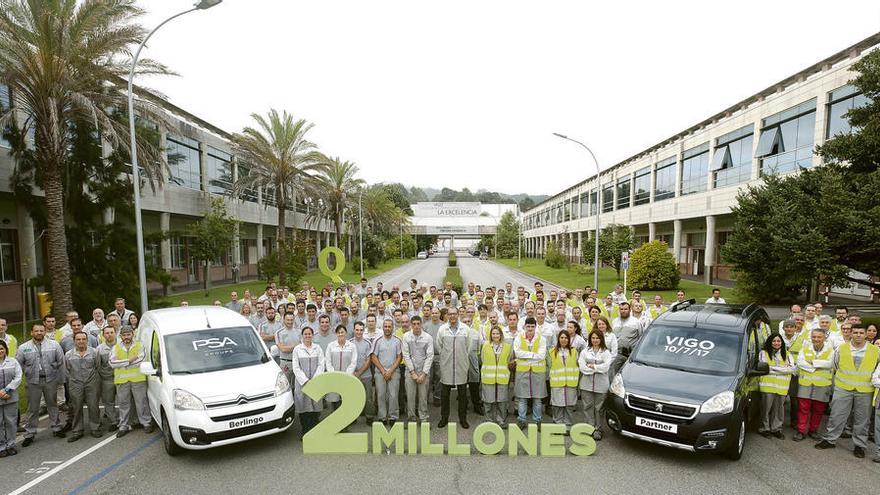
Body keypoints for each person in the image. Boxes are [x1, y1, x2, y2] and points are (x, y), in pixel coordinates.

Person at [816, 325, 879, 458]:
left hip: (865, 390)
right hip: (843, 388)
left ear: (866, 335)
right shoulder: (841, 348)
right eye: (855, 332)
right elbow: (835, 365)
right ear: (850, 334)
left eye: (861, 333)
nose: (858, 335)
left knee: (862, 419)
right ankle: (830, 439)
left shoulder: (875, 351)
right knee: (837, 415)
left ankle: (860, 445)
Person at [18, 323, 66, 446]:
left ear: (44, 332)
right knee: (32, 408)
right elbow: (19, 365)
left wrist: (61, 379)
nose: (39, 333)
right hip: (33, 382)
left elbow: (61, 362)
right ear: (31, 333)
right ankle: (30, 433)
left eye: (41, 331)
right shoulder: (24, 347)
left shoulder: (54, 345)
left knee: (52, 404)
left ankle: (56, 427)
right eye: (36, 331)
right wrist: (28, 372)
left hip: (50, 380)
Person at [109, 326, 152, 438]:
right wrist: (129, 360)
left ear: (132, 334)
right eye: (124, 335)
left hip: (138, 379)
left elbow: (141, 359)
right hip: (122, 380)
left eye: (128, 334)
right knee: (123, 404)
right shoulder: (116, 347)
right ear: (121, 336)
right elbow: (112, 363)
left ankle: (146, 422)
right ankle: (123, 426)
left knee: (141, 402)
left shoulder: (139, 345)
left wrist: (121, 362)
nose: (126, 337)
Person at [435, 306, 473, 429]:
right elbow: (439, 347)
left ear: (458, 315)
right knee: (445, 394)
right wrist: (447, 357)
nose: (452, 316)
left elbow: (469, 348)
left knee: (462, 395)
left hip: (461, 366)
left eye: (454, 314)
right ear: (447, 315)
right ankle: (444, 418)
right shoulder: (442, 329)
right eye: (450, 314)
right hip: (446, 366)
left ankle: (463, 419)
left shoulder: (465, 329)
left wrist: (461, 357)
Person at [795, 328, 833, 441]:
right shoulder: (805, 348)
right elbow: (800, 362)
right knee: (803, 408)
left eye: (819, 337)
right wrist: (816, 367)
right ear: (811, 337)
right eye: (814, 337)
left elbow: (831, 363)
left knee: (818, 409)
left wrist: (813, 362)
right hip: (805, 383)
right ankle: (800, 431)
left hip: (822, 384)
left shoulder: (831, 350)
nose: (816, 339)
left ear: (824, 338)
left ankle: (813, 430)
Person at [64, 331, 101, 442]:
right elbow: (67, 370)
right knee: (76, 407)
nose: (81, 341)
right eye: (78, 339)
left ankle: (95, 428)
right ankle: (77, 431)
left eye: (83, 339)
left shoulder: (94, 352)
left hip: (92, 382)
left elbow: (97, 366)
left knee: (93, 405)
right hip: (75, 383)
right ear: (74, 341)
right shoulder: (68, 355)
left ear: (87, 340)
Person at [758, 333, 796, 439]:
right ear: (770, 342)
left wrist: (774, 368)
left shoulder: (787, 354)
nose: (776, 343)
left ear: (781, 343)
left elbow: (792, 369)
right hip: (767, 386)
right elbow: (764, 368)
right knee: (765, 408)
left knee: (779, 410)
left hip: (782, 387)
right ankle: (764, 428)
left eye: (778, 341)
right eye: (774, 341)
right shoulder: (763, 353)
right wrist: (782, 369)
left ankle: (776, 429)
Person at [513, 317, 547, 429]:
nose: (530, 328)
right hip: (523, 371)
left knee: (537, 399)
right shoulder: (519, 338)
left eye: (532, 326)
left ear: (535, 327)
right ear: (524, 327)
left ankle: (538, 420)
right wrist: (533, 355)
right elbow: (517, 353)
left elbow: (542, 355)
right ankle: (521, 420)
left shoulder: (542, 339)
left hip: (538, 372)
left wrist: (526, 355)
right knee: (522, 398)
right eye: (528, 326)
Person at [291, 327, 325, 436]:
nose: (307, 336)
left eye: (309, 334)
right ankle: (305, 431)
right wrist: (305, 380)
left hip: (315, 382)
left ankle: (315, 431)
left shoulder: (318, 348)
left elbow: (321, 364)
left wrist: (314, 379)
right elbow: (296, 367)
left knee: (315, 407)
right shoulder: (297, 349)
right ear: (302, 336)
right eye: (305, 334)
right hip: (302, 384)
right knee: (304, 408)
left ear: (312, 335)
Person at [579, 329, 612, 440]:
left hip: (601, 385)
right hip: (586, 384)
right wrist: (597, 368)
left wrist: (593, 366)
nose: (595, 340)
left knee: (599, 408)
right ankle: (589, 428)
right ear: (590, 339)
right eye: (593, 338)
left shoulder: (606, 352)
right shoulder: (585, 351)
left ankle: (598, 429)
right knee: (587, 406)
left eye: (597, 338)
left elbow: (606, 367)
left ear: (601, 339)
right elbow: (582, 368)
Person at [401, 316, 434, 423]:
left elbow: (430, 356)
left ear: (421, 324)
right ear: (411, 324)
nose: (416, 326)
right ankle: (411, 418)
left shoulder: (428, 337)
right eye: (414, 324)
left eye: (418, 324)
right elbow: (406, 355)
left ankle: (423, 417)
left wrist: (424, 374)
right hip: (410, 371)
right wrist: (412, 372)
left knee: (423, 397)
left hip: (424, 371)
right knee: (410, 396)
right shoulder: (406, 336)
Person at [480, 326, 513, 426]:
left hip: (502, 377)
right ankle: (488, 419)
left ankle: (501, 419)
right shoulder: (485, 345)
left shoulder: (507, 347)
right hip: (488, 377)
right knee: (488, 400)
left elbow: (509, 360)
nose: (495, 336)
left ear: (501, 335)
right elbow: (482, 359)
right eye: (493, 334)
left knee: (502, 400)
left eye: (497, 333)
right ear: (490, 335)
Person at [371, 319, 402, 426]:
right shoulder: (377, 340)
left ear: (392, 327)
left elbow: (399, 357)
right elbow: (373, 356)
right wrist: (383, 370)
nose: (387, 328)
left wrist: (391, 371)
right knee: (381, 395)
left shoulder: (397, 340)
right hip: (380, 372)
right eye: (386, 326)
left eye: (389, 326)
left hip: (394, 371)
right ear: (383, 327)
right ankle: (382, 417)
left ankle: (393, 416)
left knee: (393, 395)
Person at [548, 329, 578, 431]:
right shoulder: (551, 352)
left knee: (569, 406)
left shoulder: (574, 351)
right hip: (557, 383)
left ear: (569, 339)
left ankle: (568, 425)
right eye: (562, 337)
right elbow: (548, 366)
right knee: (557, 405)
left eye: (566, 338)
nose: (564, 340)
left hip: (570, 383)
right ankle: (558, 424)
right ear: (558, 339)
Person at [324, 325, 357, 410]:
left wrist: (347, 375)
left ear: (346, 333)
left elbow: (353, 362)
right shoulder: (331, 346)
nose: (340, 334)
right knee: (334, 397)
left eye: (342, 332)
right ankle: (334, 418)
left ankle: (348, 418)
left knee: (347, 397)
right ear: (336, 334)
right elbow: (328, 361)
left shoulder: (352, 346)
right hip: (334, 377)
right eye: (338, 332)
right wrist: (333, 373)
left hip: (347, 377)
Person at [350, 321, 376, 424]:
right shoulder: (349, 343)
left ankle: (369, 416)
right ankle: (353, 417)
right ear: (354, 330)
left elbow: (369, 360)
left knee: (368, 397)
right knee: (353, 397)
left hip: (366, 375)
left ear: (363, 330)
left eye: (361, 330)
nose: (359, 332)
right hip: (352, 375)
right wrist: (354, 373)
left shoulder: (368, 343)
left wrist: (359, 372)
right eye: (357, 330)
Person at [0, 340, 22, 457]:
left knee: (11, 422)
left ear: (5, 350)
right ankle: (1, 447)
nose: (0, 351)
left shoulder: (13, 361)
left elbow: (18, 377)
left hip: (11, 396)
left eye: (2, 348)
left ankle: (11, 445)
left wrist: (6, 390)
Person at [96, 326, 119, 432]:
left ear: (115, 333)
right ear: (103, 335)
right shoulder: (99, 349)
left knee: (124, 400)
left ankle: (125, 420)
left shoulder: (121, 346)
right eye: (107, 333)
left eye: (111, 332)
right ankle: (113, 421)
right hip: (107, 379)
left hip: (121, 377)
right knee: (108, 401)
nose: (109, 334)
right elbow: (98, 366)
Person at [610, 302, 641, 377]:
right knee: (613, 374)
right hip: (618, 354)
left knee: (629, 375)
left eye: (625, 309)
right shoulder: (614, 322)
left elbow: (640, 337)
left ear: (630, 310)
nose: (623, 311)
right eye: (621, 309)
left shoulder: (636, 322)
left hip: (630, 355)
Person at [275, 313, 300, 384]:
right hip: (286, 363)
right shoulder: (279, 333)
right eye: (288, 320)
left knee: (297, 386)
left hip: (298, 363)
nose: (290, 322)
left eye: (292, 320)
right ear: (284, 320)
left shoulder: (299, 331)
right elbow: (283, 349)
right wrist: (297, 346)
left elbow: (302, 346)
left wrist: (288, 347)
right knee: (285, 385)